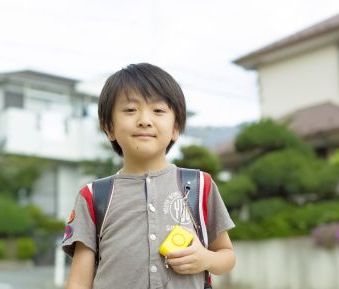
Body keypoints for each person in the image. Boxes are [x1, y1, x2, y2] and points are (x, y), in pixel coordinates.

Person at [62, 63, 236, 289]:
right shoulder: (93, 196)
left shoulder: (200, 185)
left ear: (176, 127)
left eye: (159, 111)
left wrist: (206, 259)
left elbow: (227, 256)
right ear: (109, 127)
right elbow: (79, 282)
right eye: (130, 110)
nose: (145, 120)